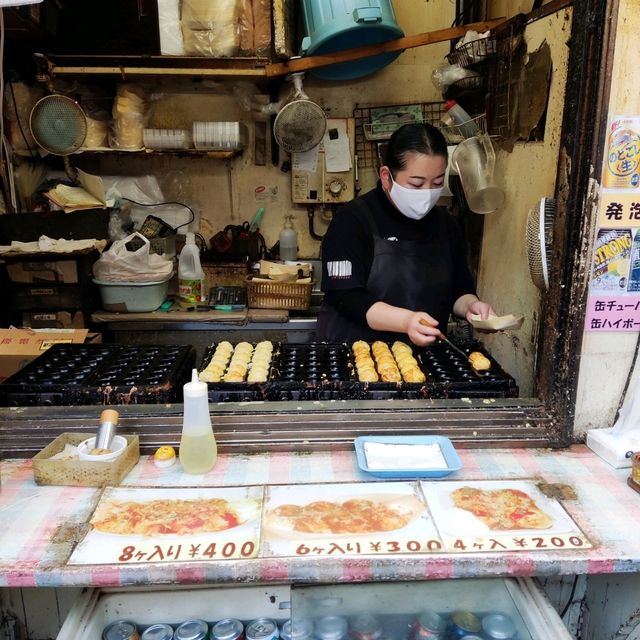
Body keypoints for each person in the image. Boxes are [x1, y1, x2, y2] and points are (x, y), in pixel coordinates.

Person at [316, 122, 496, 346]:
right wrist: (406, 321)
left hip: (423, 362)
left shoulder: (447, 225)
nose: (427, 193)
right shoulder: (352, 221)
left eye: (437, 182)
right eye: (416, 184)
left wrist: (471, 306)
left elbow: (459, 290)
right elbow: (347, 298)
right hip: (354, 356)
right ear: (386, 177)